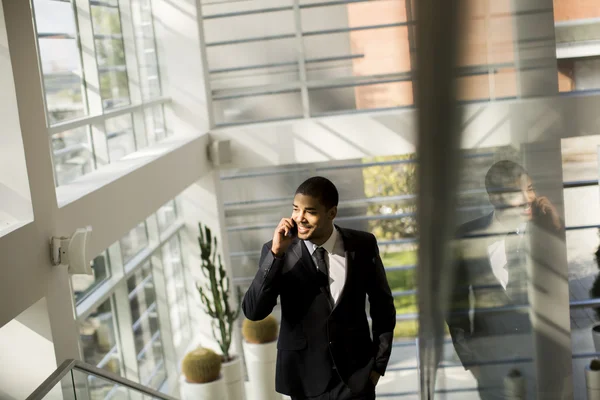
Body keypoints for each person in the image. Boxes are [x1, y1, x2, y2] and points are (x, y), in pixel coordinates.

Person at [242, 176, 397, 400]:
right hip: (304, 381)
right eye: (296, 209)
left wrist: (377, 367)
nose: (299, 218)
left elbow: (383, 307)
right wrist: (276, 255)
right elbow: (253, 311)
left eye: (310, 211)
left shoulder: (362, 245)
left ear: (331, 213)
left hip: (356, 378)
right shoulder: (276, 250)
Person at [447, 160, 563, 399]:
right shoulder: (466, 236)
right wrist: (473, 363)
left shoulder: (547, 231)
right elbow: (454, 306)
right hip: (493, 369)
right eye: (515, 192)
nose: (527, 198)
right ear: (494, 197)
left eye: (530, 188)